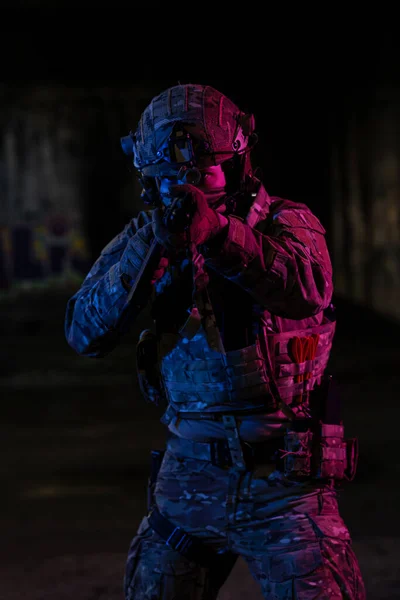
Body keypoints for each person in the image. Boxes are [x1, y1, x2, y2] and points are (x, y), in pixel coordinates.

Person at [65, 83, 366, 599]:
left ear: (236, 165)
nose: (184, 187)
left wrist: (221, 237)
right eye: (166, 178)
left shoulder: (285, 223)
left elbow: (306, 289)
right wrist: (152, 251)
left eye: (202, 172)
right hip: (189, 479)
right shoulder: (146, 236)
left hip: (285, 485)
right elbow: (83, 332)